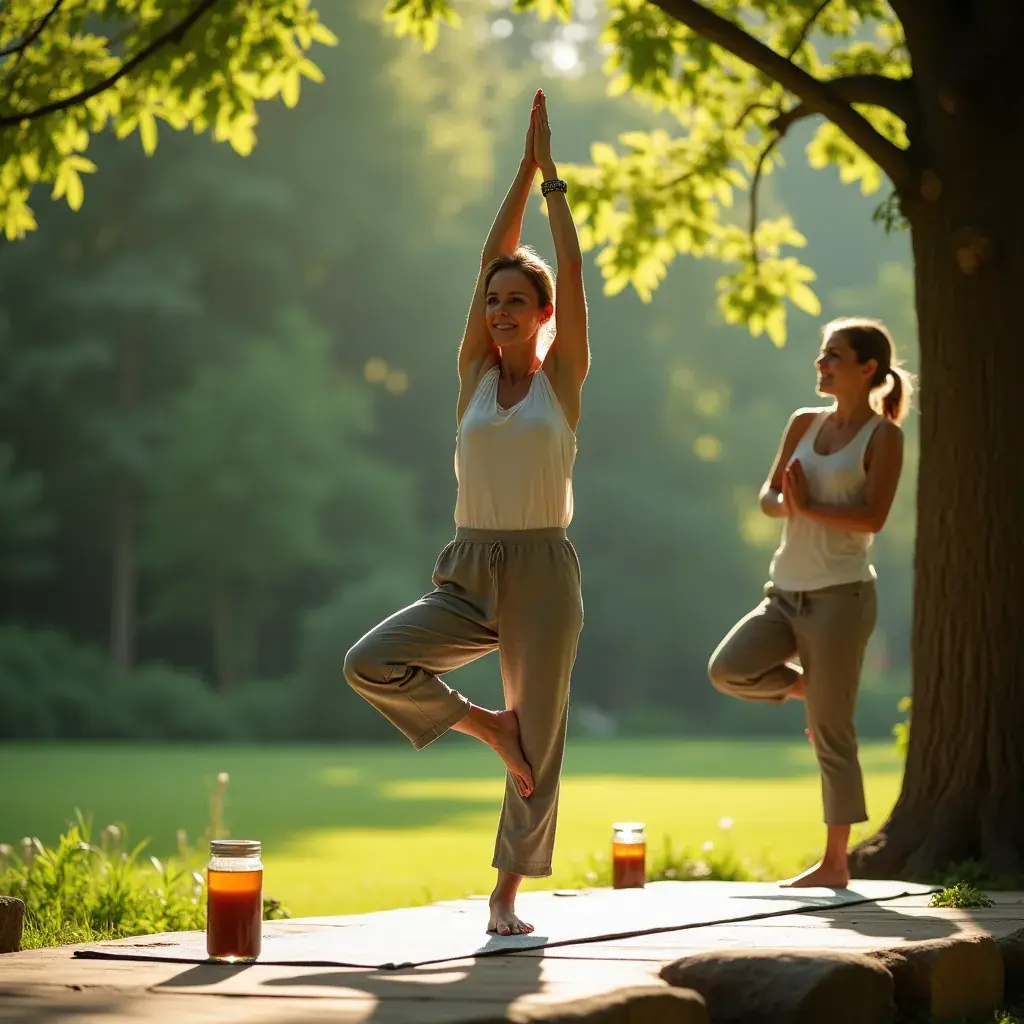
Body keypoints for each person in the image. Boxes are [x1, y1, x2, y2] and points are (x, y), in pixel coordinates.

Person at [344, 90, 588, 935]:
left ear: (544, 315)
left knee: (544, 740)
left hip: (544, 572)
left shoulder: (560, 386)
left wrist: (554, 184)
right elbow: (489, 256)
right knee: (370, 662)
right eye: (493, 303)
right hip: (470, 568)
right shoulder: (475, 379)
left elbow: (573, 271)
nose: (500, 311)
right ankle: (487, 727)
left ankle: (505, 899)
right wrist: (519, 169)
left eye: (517, 302)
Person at [707, 317, 912, 888]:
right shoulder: (803, 422)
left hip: (841, 598)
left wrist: (807, 507)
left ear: (867, 369)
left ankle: (835, 864)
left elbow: (873, 516)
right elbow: (770, 498)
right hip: (785, 591)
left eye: (833, 356)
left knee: (833, 732)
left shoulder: (884, 437)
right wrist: (788, 503)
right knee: (728, 669)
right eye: (822, 355)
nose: (820, 364)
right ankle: (809, 690)